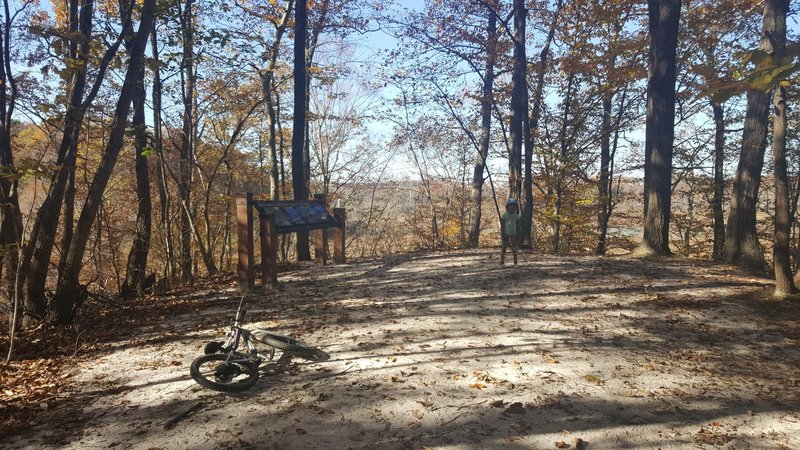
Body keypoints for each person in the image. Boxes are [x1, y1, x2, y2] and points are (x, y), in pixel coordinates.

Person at [500, 198, 520, 265]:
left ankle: (515, 262)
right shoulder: (504, 216)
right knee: (504, 248)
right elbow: (502, 226)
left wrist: (518, 235)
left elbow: (518, 226)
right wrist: (503, 235)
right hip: (506, 234)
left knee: (514, 248)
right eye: (511, 206)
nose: (513, 207)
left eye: (514, 206)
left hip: (514, 234)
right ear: (507, 207)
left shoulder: (516, 216)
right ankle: (502, 262)